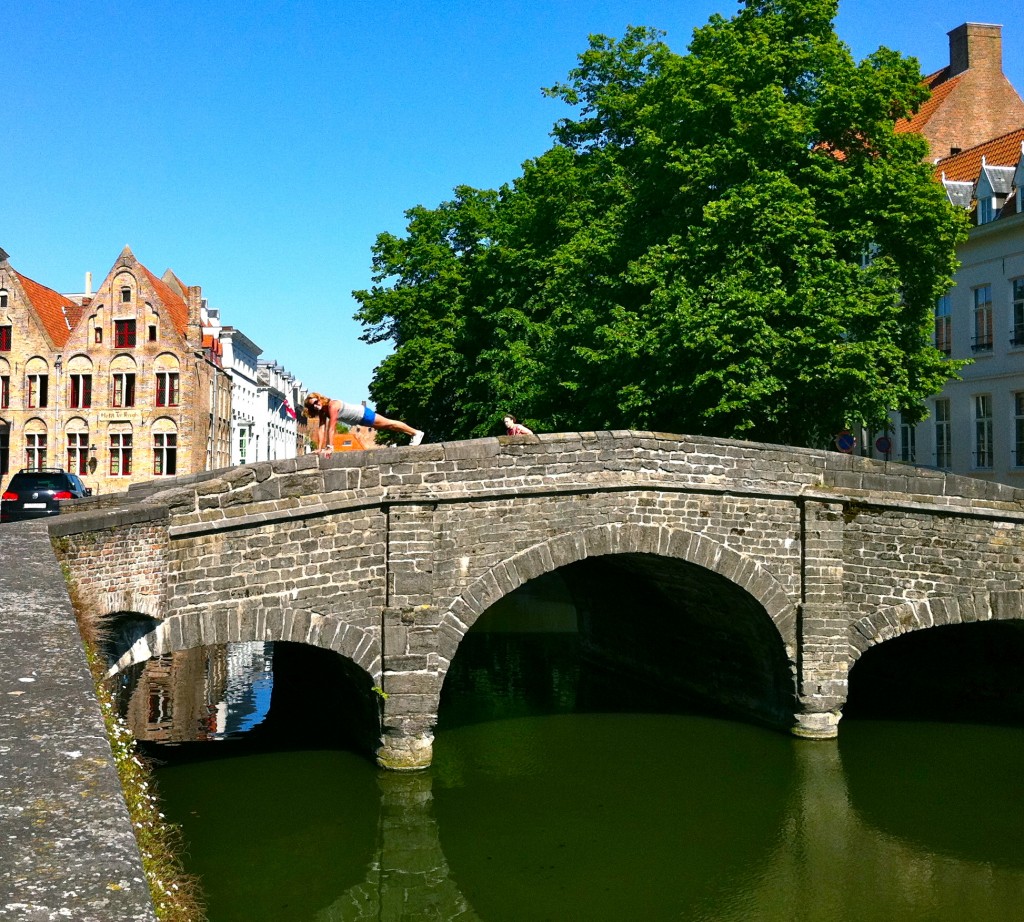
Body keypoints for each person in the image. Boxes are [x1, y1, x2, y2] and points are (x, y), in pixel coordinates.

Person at [304, 392, 424, 456]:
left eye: (315, 402)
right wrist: (319, 449)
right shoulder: (322, 412)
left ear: (319, 398)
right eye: (312, 406)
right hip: (359, 420)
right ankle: (413, 433)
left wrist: (330, 447)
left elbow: (331, 428)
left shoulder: (332, 405)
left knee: (389, 424)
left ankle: (416, 433)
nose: (315, 405)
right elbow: (321, 428)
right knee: (389, 426)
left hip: (363, 414)